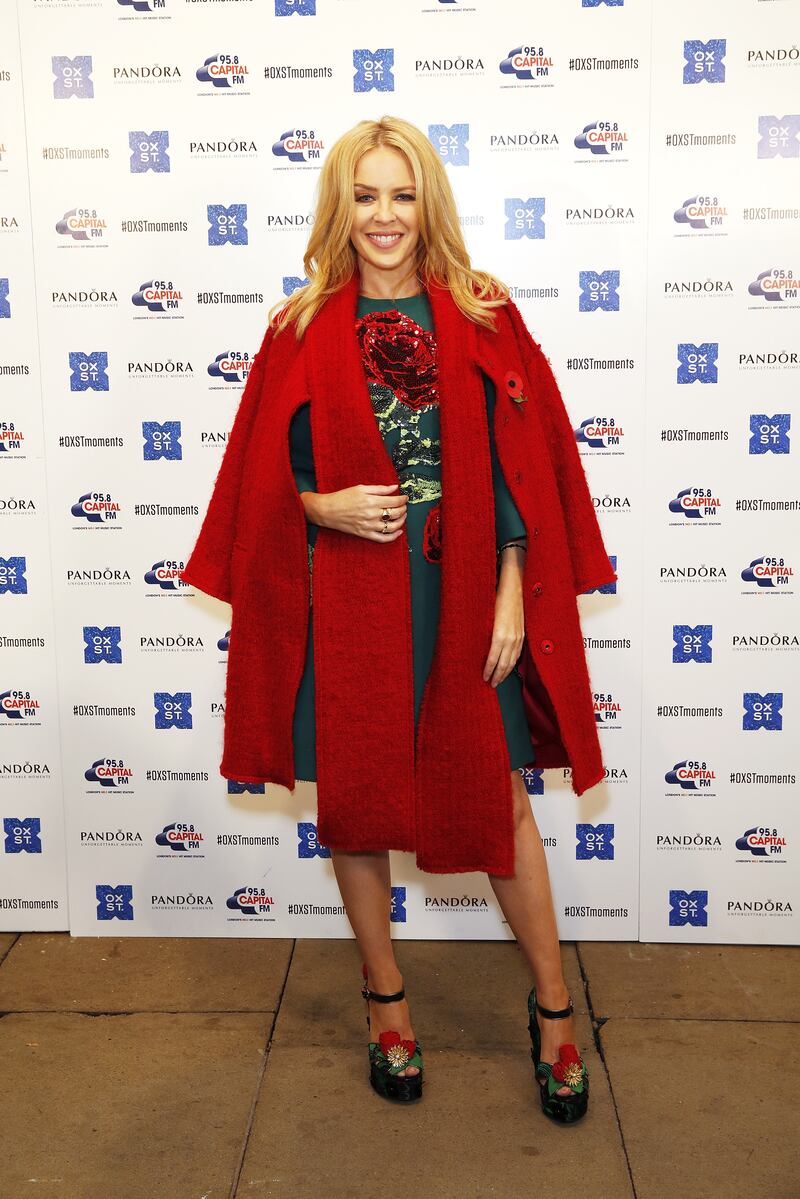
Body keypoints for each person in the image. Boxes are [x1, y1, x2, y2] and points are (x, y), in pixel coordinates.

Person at [182, 115, 614, 1121]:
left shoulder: (482, 313)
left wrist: (513, 581)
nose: (383, 216)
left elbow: (530, 468)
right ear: (341, 206)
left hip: (464, 594)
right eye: (364, 195)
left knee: (500, 793)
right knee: (358, 798)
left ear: (428, 203)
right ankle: (386, 1004)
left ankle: (554, 1011)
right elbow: (253, 485)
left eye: (401, 194)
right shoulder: (297, 328)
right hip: (349, 600)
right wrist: (316, 505)